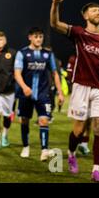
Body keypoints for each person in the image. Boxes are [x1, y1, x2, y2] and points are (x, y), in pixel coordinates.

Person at [50, 0, 99, 182]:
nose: (98, 12)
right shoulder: (79, 33)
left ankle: (96, 170)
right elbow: (55, 24)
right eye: (94, 10)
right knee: (78, 130)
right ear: (86, 15)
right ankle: (71, 154)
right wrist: (55, 4)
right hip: (81, 87)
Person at [14, 27, 64, 161]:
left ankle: (44, 149)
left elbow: (55, 74)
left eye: (40, 37)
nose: (38, 39)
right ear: (30, 37)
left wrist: (60, 93)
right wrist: (24, 87)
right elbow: (17, 73)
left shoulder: (48, 54)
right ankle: (25, 146)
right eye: (36, 37)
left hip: (43, 93)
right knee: (24, 120)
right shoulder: (22, 53)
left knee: (43, 120)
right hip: (25, 93)